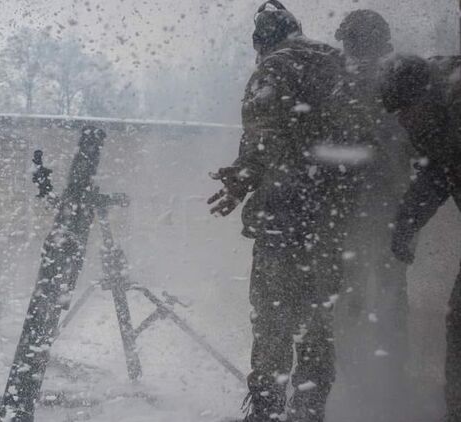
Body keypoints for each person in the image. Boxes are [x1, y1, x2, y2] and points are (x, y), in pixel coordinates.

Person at [208, 1, 354, 420]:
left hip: (284, 218)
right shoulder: (336, 64)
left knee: (274, 322)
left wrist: (241, 178)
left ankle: (267, 411)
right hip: (332, 219)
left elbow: (263, 137)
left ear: (261, 42)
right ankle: (309, 411)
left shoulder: (275, 67)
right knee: (317, 326)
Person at [332, 10, 415, 420]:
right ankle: (389, 385)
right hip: (393, 211)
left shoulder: (339, 85)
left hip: (351, 213)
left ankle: (354, 387)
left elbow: (328, 150)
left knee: (348, 301)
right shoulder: (405, 81)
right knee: (389, 299)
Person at [381, 54, 461, 422]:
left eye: (405, 110)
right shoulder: (436, 119)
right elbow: (436, 173)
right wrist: (406, 225)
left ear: (422, 96)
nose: (402, 121)